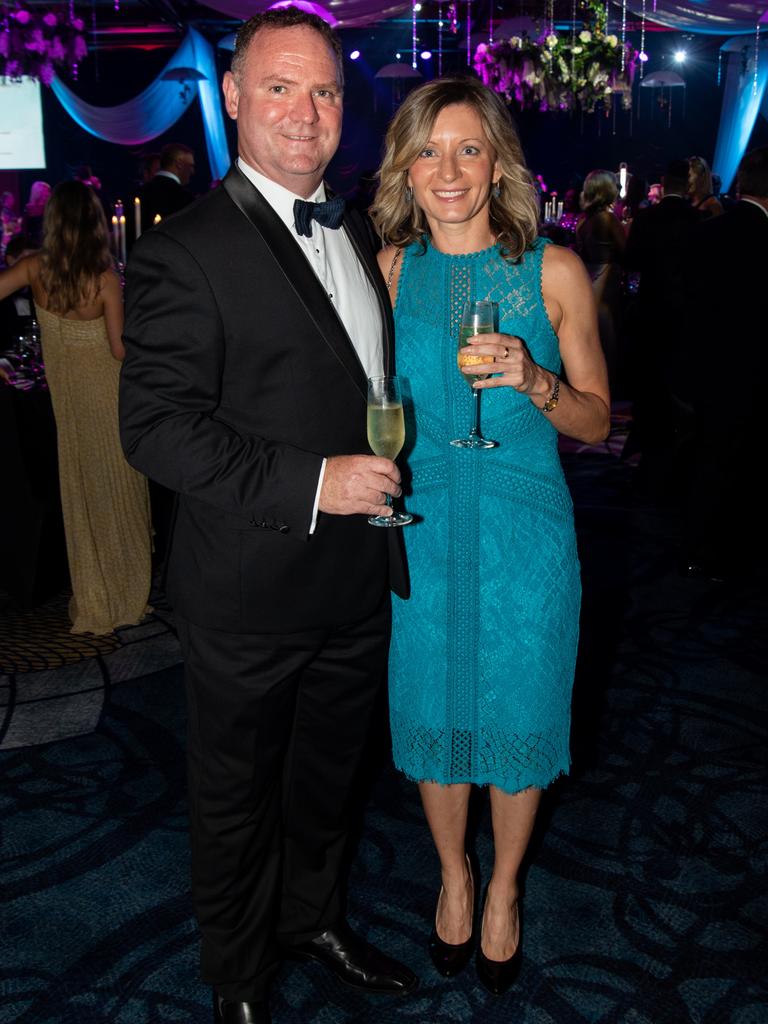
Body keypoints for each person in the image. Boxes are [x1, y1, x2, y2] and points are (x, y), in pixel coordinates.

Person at [119, 11, 417, 1024]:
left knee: (330, 779)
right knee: (236, 798)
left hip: (356, 583)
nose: (306, 112)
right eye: (280, 88)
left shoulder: (366, 227)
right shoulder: (186, 250)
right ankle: (238, 977)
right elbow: (155, 429)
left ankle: (314, 918)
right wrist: (311, 483)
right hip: (247, 589)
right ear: (235, 97)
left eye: (325, 91)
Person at [370, 77, 610, 995]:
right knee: (435, 709)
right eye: (428, 151)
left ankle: (505, 886)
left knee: (518, 706)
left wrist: (535, 382)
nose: (449, 170)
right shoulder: (390, 269)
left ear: (499, 162)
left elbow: (595, 419)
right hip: (424, 527)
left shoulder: (550, 272)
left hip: (526, 531)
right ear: (406, 168)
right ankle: (453, 876)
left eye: (468, 149)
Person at [0, 181, 152, 634]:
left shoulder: (32, 268)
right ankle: (127, 599)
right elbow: (121, 350)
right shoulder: (105, 278)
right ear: (93, 223)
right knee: (121, 493)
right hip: (108, 398)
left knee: (82, 494)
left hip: (68, 405)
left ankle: (94, 598)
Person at [681, 145, 768, 580]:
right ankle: (731, 548)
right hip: (750, 368)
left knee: (710, 456)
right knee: (740, 461)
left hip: (708, 366)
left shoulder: (708, 231)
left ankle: (700, 548)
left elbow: (689, 307)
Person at [623, 158, 701, 495]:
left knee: (650, 378)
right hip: (685, 313)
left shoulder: (647, 218)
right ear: (687, 185)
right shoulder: (698, 220)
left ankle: (649, 444)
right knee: (678, 381)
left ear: (663, 183)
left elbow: (632, 263)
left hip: (651, 310)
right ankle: (674, 448)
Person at [575, 169, 626, 393]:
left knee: (594, 340)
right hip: (606, 284)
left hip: (589, 282)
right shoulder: (608, 219)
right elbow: (628, 253)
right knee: (609, 341)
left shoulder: (585, 221)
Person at [135, 141, 196, 231]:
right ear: (179, 164)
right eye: (190, 166)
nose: (192, 171)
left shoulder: (138, 194)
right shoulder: (184, 198)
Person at [21, 180, 51, 248]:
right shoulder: (29, 209)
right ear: (39, 192)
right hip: (34, 243)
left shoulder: (49, 208)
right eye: (46, 191)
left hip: (47, 241)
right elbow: (25, 230)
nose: (48, 194)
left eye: (48, 191)